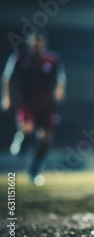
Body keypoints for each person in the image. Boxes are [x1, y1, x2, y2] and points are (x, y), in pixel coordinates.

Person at [1, 30, 66, 186]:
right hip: (26, 103)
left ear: (44, 43)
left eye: (39, 43)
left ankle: (34, 170)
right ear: (29, 44)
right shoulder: (19, 58)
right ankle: (20, 140)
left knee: (45, 139)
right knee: (28, 128)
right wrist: (6, 97)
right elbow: (7, 78)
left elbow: (60, 78)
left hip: (46, 105)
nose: (37, 46)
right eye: (34, 43)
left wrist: (59, 90)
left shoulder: (52, 60)